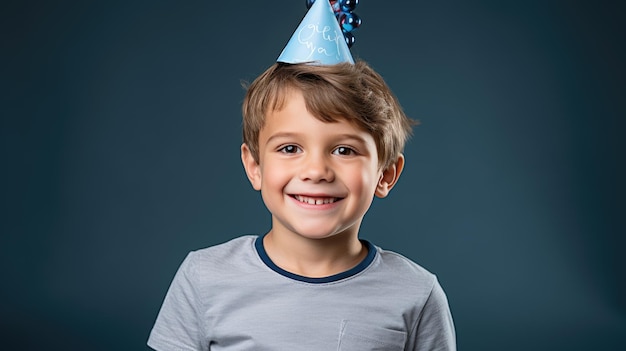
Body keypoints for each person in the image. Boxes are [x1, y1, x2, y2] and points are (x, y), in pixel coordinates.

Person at [148, 1, 455, 350]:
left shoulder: (417, 294)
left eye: (344, 150)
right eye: (290, 148)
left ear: (385, 174)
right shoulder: (204, 277)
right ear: (255, 166)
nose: (316, 171)